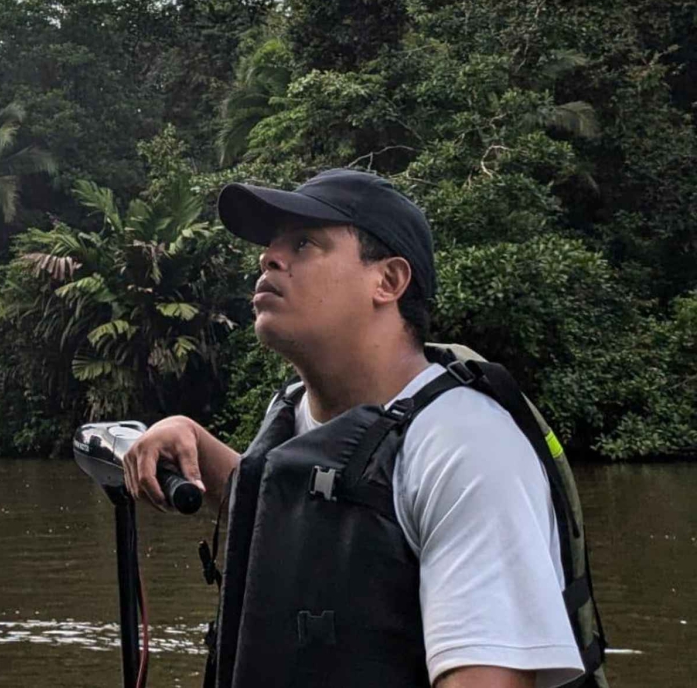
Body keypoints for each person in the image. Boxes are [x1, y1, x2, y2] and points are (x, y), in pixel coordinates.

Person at [122, 168, 601, 688]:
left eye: (304, 243)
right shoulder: (293, 411)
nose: (269, 257)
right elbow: (300, 509)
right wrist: (192, 438)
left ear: (388, 281)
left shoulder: (466, 449)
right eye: (272, 245)